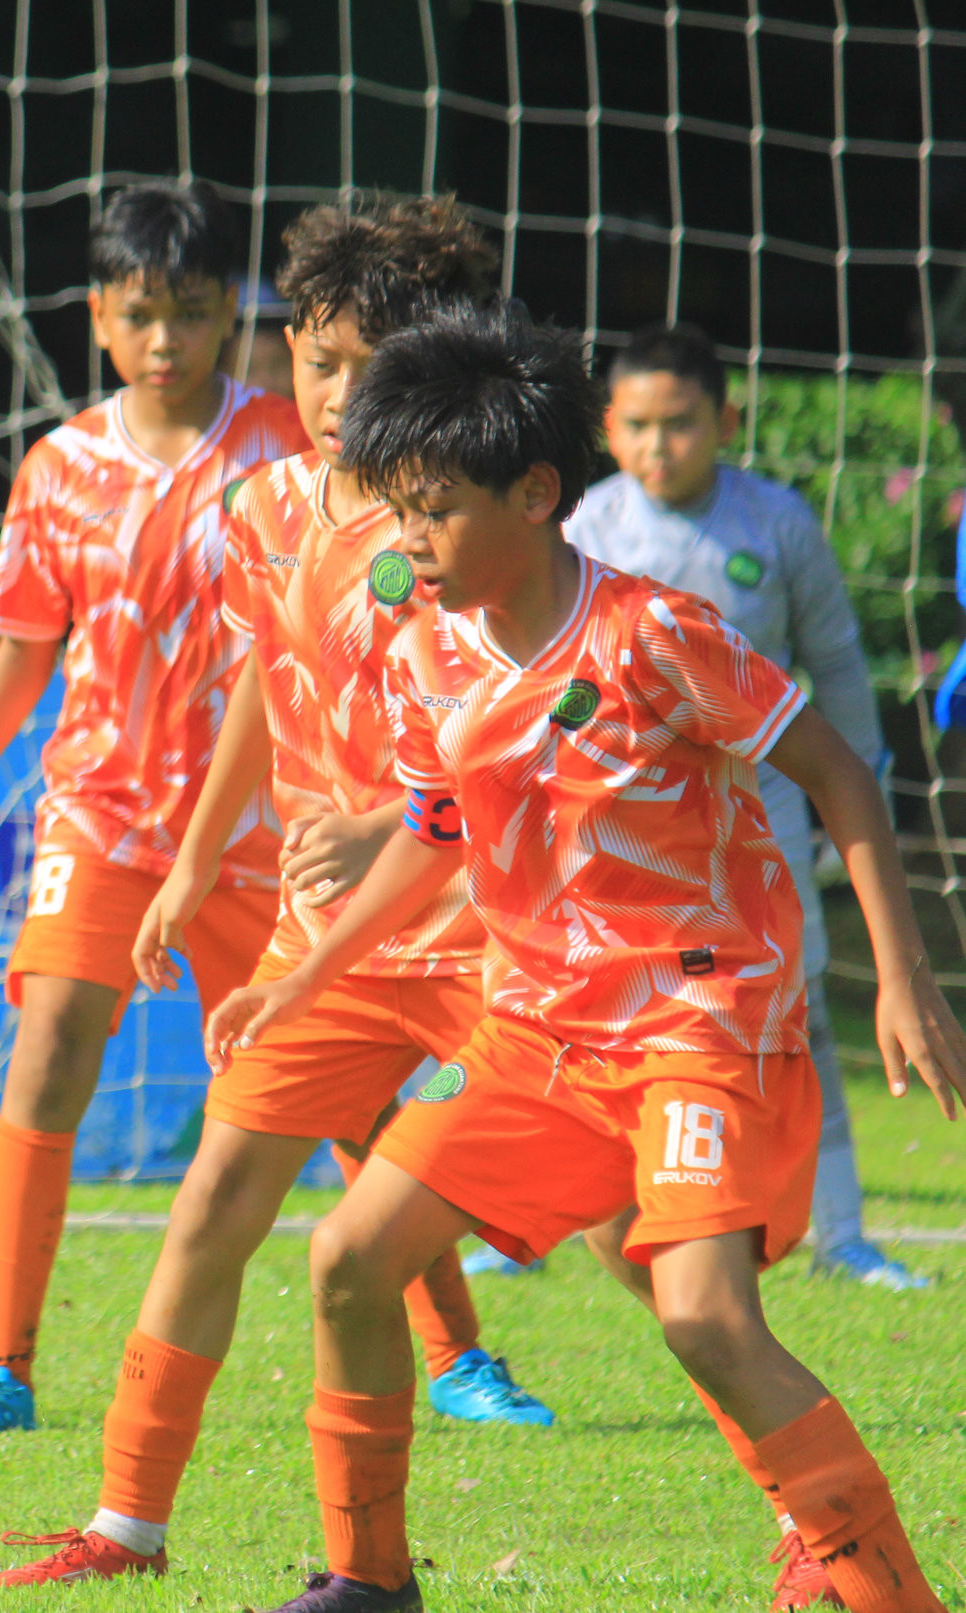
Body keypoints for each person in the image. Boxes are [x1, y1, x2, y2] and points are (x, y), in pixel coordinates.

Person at [208, 304, 963, 1613]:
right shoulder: (424, 648)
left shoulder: (651, 636)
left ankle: (885, 1592)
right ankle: (368, 1583)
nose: (405, 544)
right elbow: (434, 831)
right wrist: (304, 973)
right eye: (393, 512)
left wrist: (898, 979)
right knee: (343, 1262)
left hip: (692, 1022)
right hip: (531, 1036)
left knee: (702, 1319)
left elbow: (838, 774)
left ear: (534, 494)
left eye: (431, 512)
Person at [0, 196, 552, 1590]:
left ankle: (803, 1508)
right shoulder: (267, 504)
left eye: (360, 362)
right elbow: (257, 678)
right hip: (336, 945)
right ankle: (124, 1526)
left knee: (648, 1253)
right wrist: (188, 857)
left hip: (483, 923)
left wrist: (382, 821)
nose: (328, 388)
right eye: (310, 355)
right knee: (212, 1202)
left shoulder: (466, 516)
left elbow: (518, 712)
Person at [0, 180, 308, 1438]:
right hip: (102, 816)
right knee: (52, 1049)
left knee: (329, 1080)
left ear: (231, 309)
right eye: (142, 313)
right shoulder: (60, 467)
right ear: (101, 319)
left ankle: (460, 1353)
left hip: (260, 827)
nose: (168, 337)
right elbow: (23, 651)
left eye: (191, 309)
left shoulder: (289, 447)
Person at [566, 321, 926, 1294]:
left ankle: (842, 1230)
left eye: (679, 424)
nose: (658, 446)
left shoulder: (776, 521)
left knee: (800, 1017)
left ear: (725, 420)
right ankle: (543, 1209)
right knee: (596, 1022)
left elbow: (837, 665)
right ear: (607, 427)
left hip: (760, 814)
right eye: (638, 425)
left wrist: (863, 782)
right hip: (628, 835)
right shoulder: (584, 527)